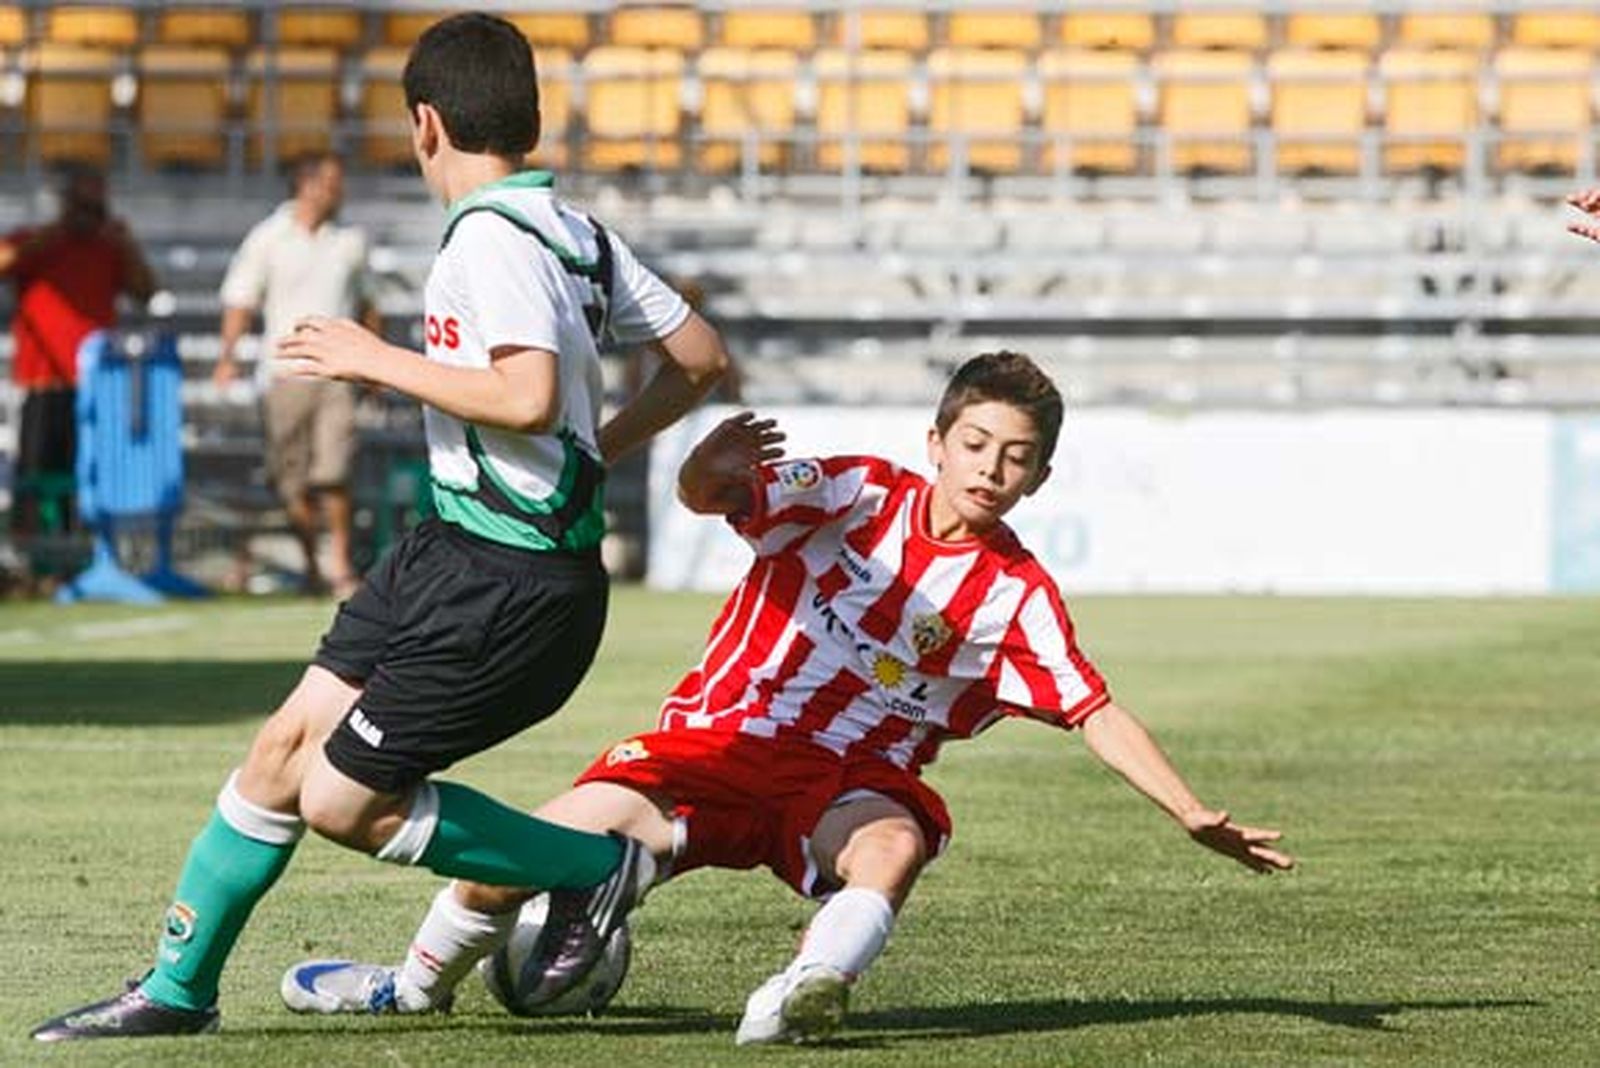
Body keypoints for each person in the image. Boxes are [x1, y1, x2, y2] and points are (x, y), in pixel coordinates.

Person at [30, 12, 729, 1042]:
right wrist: (603, 451)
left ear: (425, 125)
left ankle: (595, 866)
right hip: (451, 551)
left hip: (508, 584)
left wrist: (374, 358)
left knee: (343, 803)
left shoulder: (492, 238)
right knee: (281, 752)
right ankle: (176, 992)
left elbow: (528, 395)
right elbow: (702, 356)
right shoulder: (575, 230)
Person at [279, 352, 1293, 1045]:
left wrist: (1189, 810)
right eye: (976, 444)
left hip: (843, 779)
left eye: (1016, 457)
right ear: (935, 441)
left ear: (1039, 477)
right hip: (709, 747)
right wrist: (701, 472)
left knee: (891, 846)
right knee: (515, 863)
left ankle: (808, 988)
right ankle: (407, 988)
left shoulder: (1016, 595)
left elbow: (1092, 709)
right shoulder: (850, 492)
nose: (991, 469)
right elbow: (715, 492)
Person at [214, 151, 377, 598]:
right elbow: (241, 300)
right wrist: (227, 357)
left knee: (334, 473)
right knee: (291, 482)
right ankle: (311, 565)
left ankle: (339, 566)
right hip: (284, 375)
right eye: (330, 181)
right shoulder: (267, 238)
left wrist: (373, 366)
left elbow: (369, 304)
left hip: (338, 376)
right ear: (305, 184)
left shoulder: (351, 240)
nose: (338, 190)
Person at [0, 165, 156, 569]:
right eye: (83, 203)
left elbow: (146, 291)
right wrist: (56, 231)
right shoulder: (35, 240)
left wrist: (127, 245)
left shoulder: (110, 246)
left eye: (96, 204)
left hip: (97, 384)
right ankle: (31, 559)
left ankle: (80, 558)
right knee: (37, 473)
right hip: (42, 381)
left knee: (89, 473)